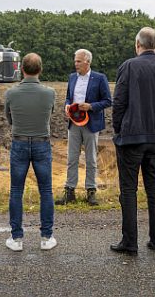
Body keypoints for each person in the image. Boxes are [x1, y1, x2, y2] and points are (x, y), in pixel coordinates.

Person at [110, 27, 155, 255]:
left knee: (129, 189)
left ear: (137, 44)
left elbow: (119, 102)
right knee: (154, 188)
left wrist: (118, 128)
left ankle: (129, 242)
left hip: (131, 136)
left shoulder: (129, 66)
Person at [4, 53, 57, 251]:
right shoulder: (50, 93)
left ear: (22, 70)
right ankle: (46, 237)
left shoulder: (11, 93)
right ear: (40, 70)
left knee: (16, 190)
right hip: (42, 143)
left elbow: (8, 117)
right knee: (46, 190)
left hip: (19, 143)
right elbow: (50, 114)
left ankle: (17, 238)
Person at [56, 49, 111, 206]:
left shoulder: (100, 78)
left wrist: (91, 106)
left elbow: (108, 100)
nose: (76, 64)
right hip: (74, 123)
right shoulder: (72, 77)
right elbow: (68, 97)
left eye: (79, 61)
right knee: (72, 158)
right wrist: (67, 105)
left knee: (91, 158)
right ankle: (70, 191)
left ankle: (91, 191)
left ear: (88, 62)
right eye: (75, 61)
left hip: (91, 124)